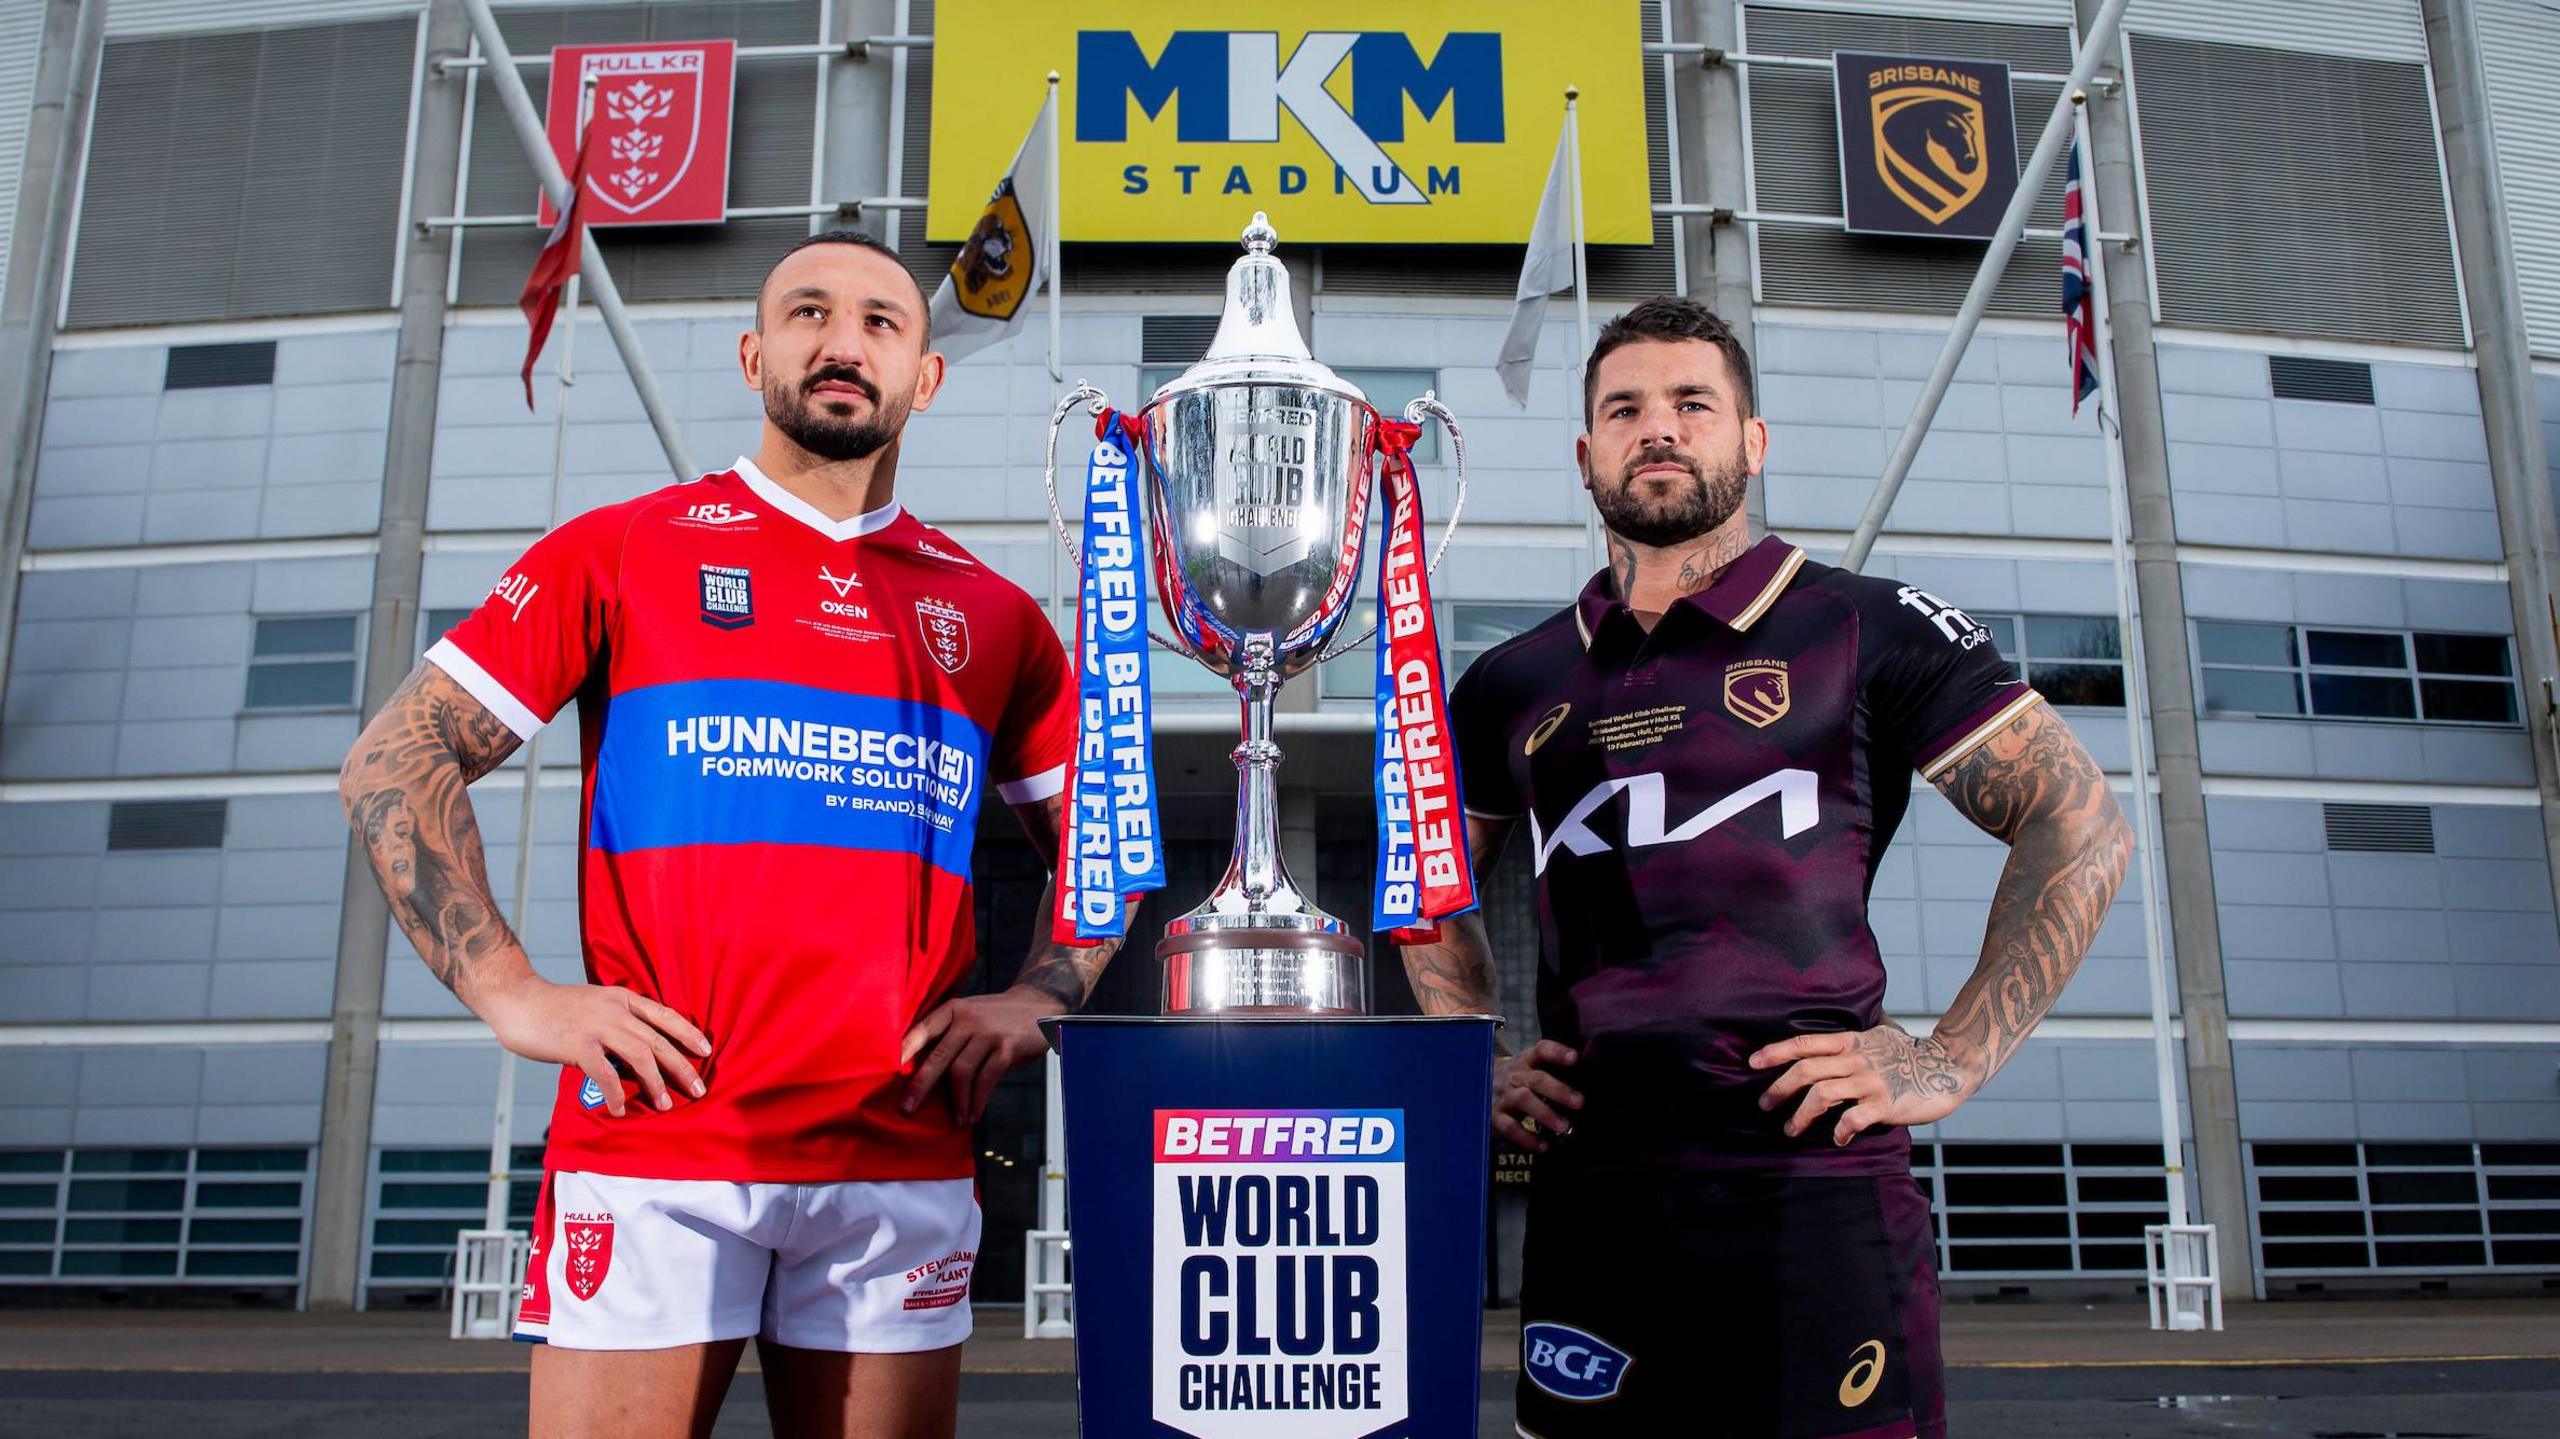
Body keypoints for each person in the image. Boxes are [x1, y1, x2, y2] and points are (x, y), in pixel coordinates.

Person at [339, 230, 1125, 1439]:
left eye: (880, 320)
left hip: (897, 1152)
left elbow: (1101, 837)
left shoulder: (995, 614)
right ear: (756, 353)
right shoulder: (623, 549)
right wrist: (511, 990)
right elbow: (396, 755)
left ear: (926, 377)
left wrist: (1045, 993)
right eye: (807, 313)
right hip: (658, 1144)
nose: (841, 341)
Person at [1399, 297, 2133, 1439]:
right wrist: (1473, 1058)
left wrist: (1948, 1057)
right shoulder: (1512, 677)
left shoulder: (1865, 624)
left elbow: (2077, 823)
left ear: (1751, 439)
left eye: (1693, 403)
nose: (1658, 428)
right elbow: (1422, 879)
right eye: (1625, 408)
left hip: (1810, 1187)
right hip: (1594, 1199)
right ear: (1584, 453)